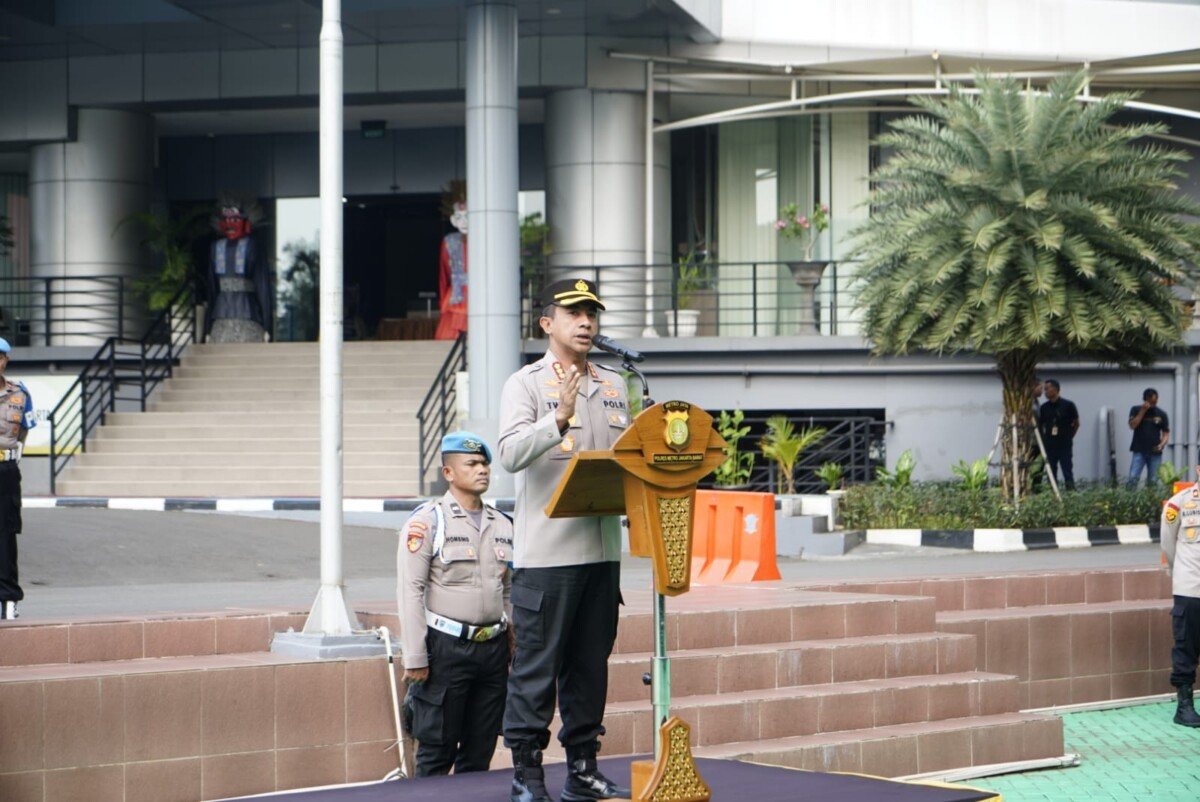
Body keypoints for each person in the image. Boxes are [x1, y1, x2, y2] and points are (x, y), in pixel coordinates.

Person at [499, 278, 631, 802]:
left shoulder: (615, 383)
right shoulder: (526, 384)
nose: (586, 323)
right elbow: (508, 454)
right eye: (574, 313)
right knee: (536, 670)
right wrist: (557, 417)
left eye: (592, 314)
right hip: (548, 558)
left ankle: (583, 768)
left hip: (601, 555)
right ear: (546, 322)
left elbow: (627, 455)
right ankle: (527, 775)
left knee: (589, 670)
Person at [396, 431, 514, 776]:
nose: (483, 470)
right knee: (436, 749)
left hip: (492, 650)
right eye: (472, 464)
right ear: (449, 473)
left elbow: (506, 588)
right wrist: (415, 656)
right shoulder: (428, 521)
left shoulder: (503, 524)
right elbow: (410, 590)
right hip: (445, 649)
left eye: (485, 464)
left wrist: (513, 639)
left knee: (480, 751)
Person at [1160, 477, 1200, 727]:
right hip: (1190, 587)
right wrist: (1180, 573)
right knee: (1186, 646)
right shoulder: (1178, 505)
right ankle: (1184, 706)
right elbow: (1168, 543)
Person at [0, 338, 34, 620]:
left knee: (6, 535)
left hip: (6, 471)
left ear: (5, 361)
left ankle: (8, 600)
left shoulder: (19, 394)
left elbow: (23, 431)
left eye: (0, 357)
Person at [1037, 379, 1079, 491]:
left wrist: (1069, 436)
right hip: (1050, 444)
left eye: (1047, 389)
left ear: (1055, 389)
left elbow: (1076, 423)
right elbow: (1041, 425)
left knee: (1067, 470)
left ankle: (1071, 493)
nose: (1045, 392)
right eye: (1044, 389)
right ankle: (1053, 494)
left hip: (1064, 444)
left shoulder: (1068, 405)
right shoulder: (1044, 408)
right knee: (1051, 471)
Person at [1128, 388, 1170, 488]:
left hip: (1155, 452)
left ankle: (1151, 501)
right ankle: (1129, 501)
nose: (1153, 404)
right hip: (1139, 450)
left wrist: (1162, 444)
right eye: (1151, 402)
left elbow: (1166, 432)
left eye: (1155, 402)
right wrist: (1143, 411)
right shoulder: (1135, 409)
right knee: (1133, 478)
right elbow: (1132, 425)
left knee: (1153, 481)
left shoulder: (1162, 414)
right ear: (1145, 399)